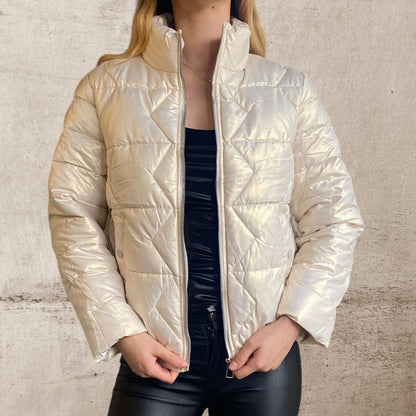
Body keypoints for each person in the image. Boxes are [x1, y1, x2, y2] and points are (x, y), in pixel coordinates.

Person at [47, 0, 364, 414]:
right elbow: (74, 219)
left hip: (260, 360)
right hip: (156, 358)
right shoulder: (106, 89)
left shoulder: (288, 91)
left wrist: (291, 324)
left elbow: (334, 219)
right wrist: (124, 332)